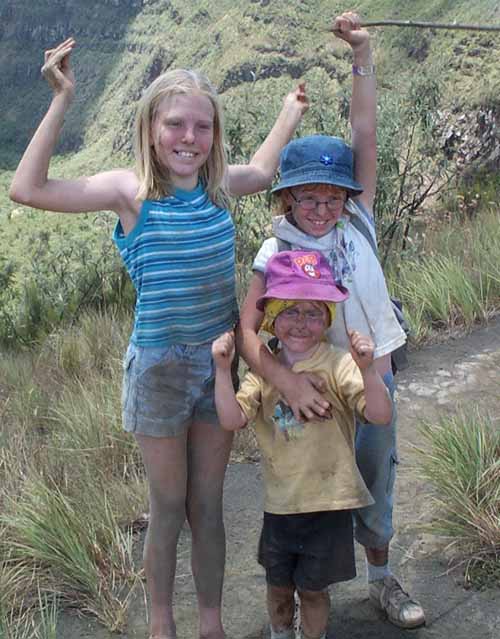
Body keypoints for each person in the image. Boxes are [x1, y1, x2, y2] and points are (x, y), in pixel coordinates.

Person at [9, 37, 309, 639]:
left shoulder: (220, 184)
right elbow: (28, 189)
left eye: (202, 126)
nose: (189, 137)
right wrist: (62, 99)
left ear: (214, 135)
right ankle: (161, 625)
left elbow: (265, 166)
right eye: (175, 123)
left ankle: (212, 625)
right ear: (150, 128)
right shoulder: (131, 192)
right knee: (168, 507)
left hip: (218, 364)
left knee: (209, 505)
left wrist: (290, 111)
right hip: (158, 371)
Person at [237, 11, 426, 630]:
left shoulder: (359, 221)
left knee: (375, 476)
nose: (322, 208)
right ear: (286, 196)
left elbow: (363, 130)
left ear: (348, 196)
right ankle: (298, 602)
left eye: (333, 195)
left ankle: (380, 579)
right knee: (312, 489)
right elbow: (247, 328)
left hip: (368, 376)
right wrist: (284, 381)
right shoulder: (275, 250)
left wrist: (362, 55)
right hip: (311, 384)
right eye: (308, 196)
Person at [212, 250, 393, 639]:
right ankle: (280, 633)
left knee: (314, 591)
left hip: (329, 503)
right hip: (281, 506)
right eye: (290, 311)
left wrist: (367, 367)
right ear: (272, 319)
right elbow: (231, 419)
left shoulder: (339, 363)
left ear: (328, 318)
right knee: (278, 588)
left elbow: (379, 415)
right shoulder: (264, 374)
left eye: (313, 312)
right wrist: (221, 371)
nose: (301, 322)